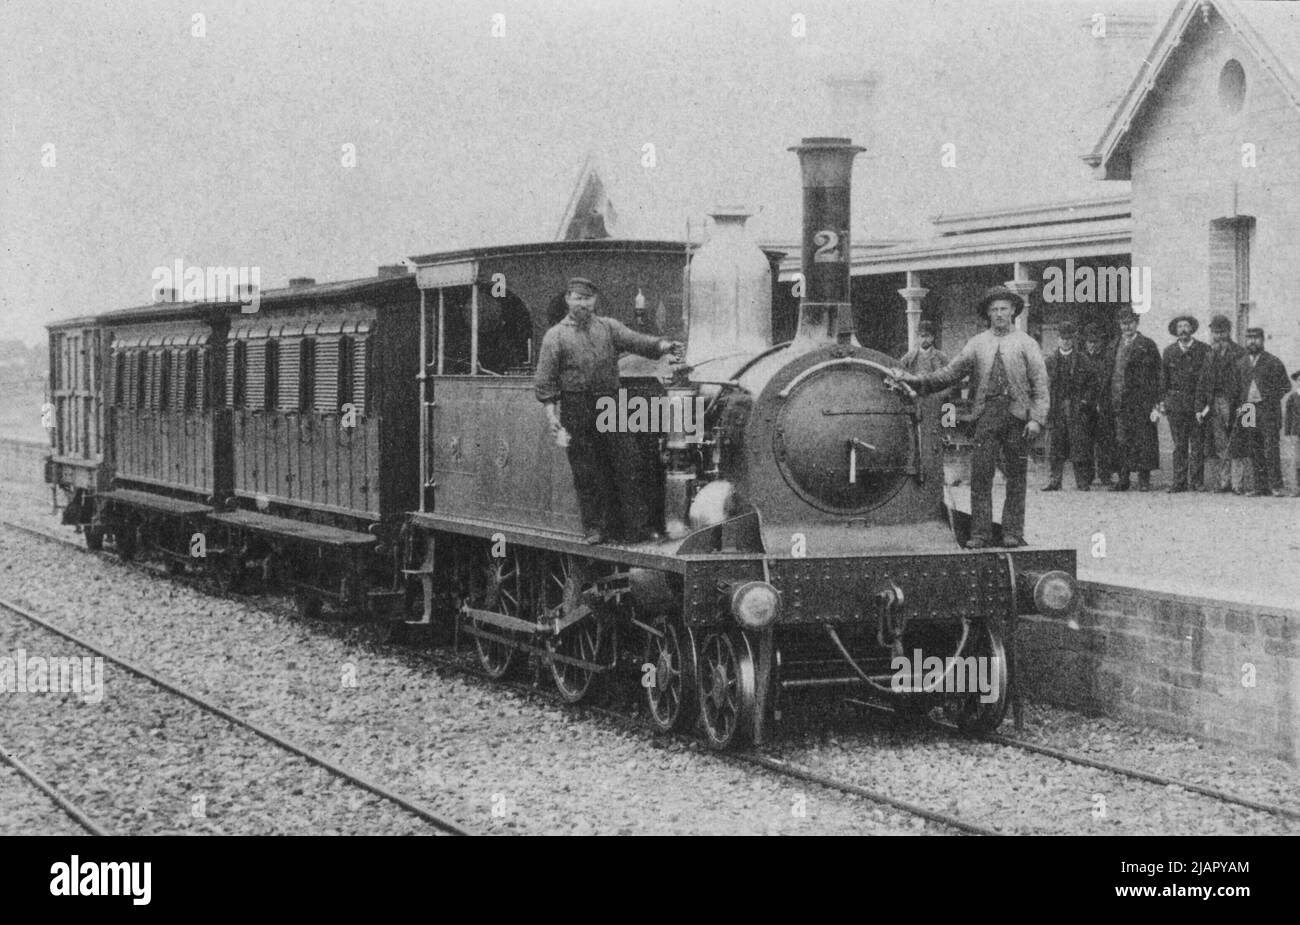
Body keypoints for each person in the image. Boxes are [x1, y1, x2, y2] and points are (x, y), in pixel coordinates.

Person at [892, 286, 1049, 549]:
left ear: (1013, 311)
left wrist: (1036, 419)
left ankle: (1012, 532)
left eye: (1004, 309)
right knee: (980, 476)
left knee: (1016, 477)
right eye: (994, 310)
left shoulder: (1027, 344)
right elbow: (949, 374)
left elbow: (1041, 386)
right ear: (988, 313)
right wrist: (915, 381)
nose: (999, 314)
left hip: (1018, 418)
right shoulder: (977, 344)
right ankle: (980, 533)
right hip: (985, 416)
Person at [534, 277, 683, 544]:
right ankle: (595, 529)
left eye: (588, 299)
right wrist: (551, 414)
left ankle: (636, 528)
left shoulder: (609, 327)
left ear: (595, 301)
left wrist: (663, 346)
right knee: (587, 470)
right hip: (576, 406)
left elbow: (638, 342)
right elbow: (545, 381)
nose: (583, 304)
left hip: (610, 404)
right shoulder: (555, 337)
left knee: (629, 462)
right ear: (568, 299)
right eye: (578, 298)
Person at [1229, 327, 1290, 497]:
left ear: (1262, 340)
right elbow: (1235, 389)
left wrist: (1270, 398)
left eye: (1256, 338)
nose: (1252, 342)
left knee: (1271, 447)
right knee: (1253, 447)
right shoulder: (1241, 363)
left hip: (1267, 410)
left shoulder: (1273, 362)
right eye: (1249, 338)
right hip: (1248, 410)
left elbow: (1285, 386)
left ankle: (1276, 486)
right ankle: (1259, 486)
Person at [1043, 320, 1099, 491]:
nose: (1066, 341)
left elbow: (1093, 384)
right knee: (1056, 444)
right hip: (1057, 407)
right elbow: (1043, 385)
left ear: (1073, 340)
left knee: (1079, 444)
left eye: (1069, 338)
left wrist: (1085, 401)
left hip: (1076, 408)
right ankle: (1055, 480)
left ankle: (1082, 481)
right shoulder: (1050, 361)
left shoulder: (1083, 360)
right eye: (1063, 338)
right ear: (1058, 339)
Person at [1109, 309, 1161, 491]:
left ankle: (1143, 480)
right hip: (1119, 401)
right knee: (1122, 441)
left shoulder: (1147, 345)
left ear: (1136, 323)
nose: (1127, 327)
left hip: (1142, 402)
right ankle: (1123, 478)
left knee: (1143, 440)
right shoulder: (1114, 345)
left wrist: (1156, 403)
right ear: (1119, 325)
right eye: (1123, 323)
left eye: (1130, 322)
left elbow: (1158, 375)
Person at [1195, 314, 1246, 493]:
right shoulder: (1209, 354)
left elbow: (1245, 382)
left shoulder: (1240, 353)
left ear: (1228, 332)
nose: (1218, 336)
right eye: (1215, 332)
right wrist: (1199, 407)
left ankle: (1237, 484)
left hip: (1234, 403)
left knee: (1237, 442)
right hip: (1214, 403)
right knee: (1220, 443)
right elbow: (1202, 383)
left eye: (1221, 332)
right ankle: (1224, 482)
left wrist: (1243, 406)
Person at [1158, 314, 1210, 492]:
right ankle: (1179, 482)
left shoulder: (1203, 350)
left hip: (1197, 405)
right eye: (1180, 327)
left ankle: (1197, 482)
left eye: (1186, 326)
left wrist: (1204, 405)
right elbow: (1163, 380)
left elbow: (1208, 379)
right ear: (1175, 331)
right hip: (1176, 405)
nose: (1183, 330)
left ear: (1192, 329)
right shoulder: (1169, 351)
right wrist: (1163, 402)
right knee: (1179, 445)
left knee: (1197, 445)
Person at [1083, 322, 1117, 485]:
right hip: (1085, 405)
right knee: (1086, 440)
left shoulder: (1107, 359)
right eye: (1090, 341)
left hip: (1104, 404)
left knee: (1105, 440)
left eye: (1096, 342)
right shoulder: (1080, 359)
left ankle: (1105, 474)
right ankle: (1088, 475)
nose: (1093, 345)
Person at [1285, 370, 1300, 497]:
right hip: (1296, 432)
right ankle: (1295, 489)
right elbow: (1288, 417)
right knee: (1296, 461)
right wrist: (1288, 433)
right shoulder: (1292, 397)